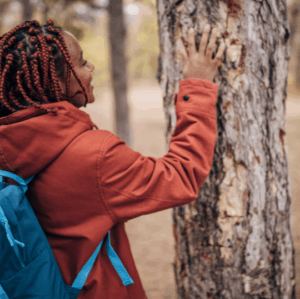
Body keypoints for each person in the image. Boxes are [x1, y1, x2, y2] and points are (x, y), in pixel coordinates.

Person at [0, 19, 225, 298]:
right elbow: (181, 175)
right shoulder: (94, 157)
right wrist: (199, 86)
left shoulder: (8, 148)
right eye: (82, 62)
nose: (91, 68)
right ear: (55, 82)